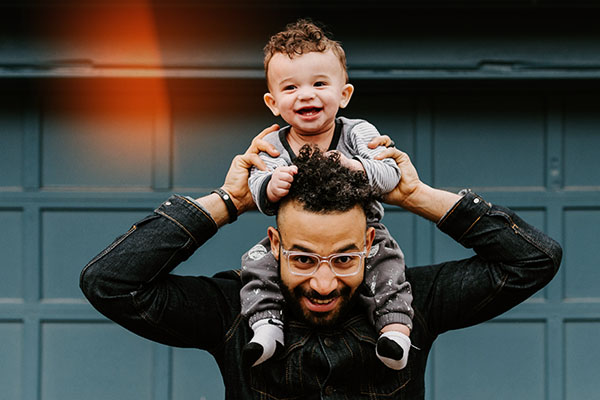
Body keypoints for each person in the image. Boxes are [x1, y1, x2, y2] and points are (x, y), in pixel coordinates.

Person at [80, 126, 562, 399]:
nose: (325, 282)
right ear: (274, 245)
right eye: (304, 259)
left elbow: (532, 260)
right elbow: (111, 282)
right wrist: (228, 200)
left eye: (345, 258)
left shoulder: (411, 303)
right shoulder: (232, 311)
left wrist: (416, 196)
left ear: (371, 242)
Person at [242, 18, 412, 370]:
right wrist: (269, 186)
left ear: (344, 94)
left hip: (363, 231)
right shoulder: (272, 143)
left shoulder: (357, 133)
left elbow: (390, 173)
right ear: (273, 103)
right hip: (296, 239)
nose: (306, 94)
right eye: (290, 88)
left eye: (319, 83)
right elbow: (256, 186)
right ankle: (266, 327)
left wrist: (358, 168)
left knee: (388, 264)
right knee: (256, 263)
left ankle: (394, 331)